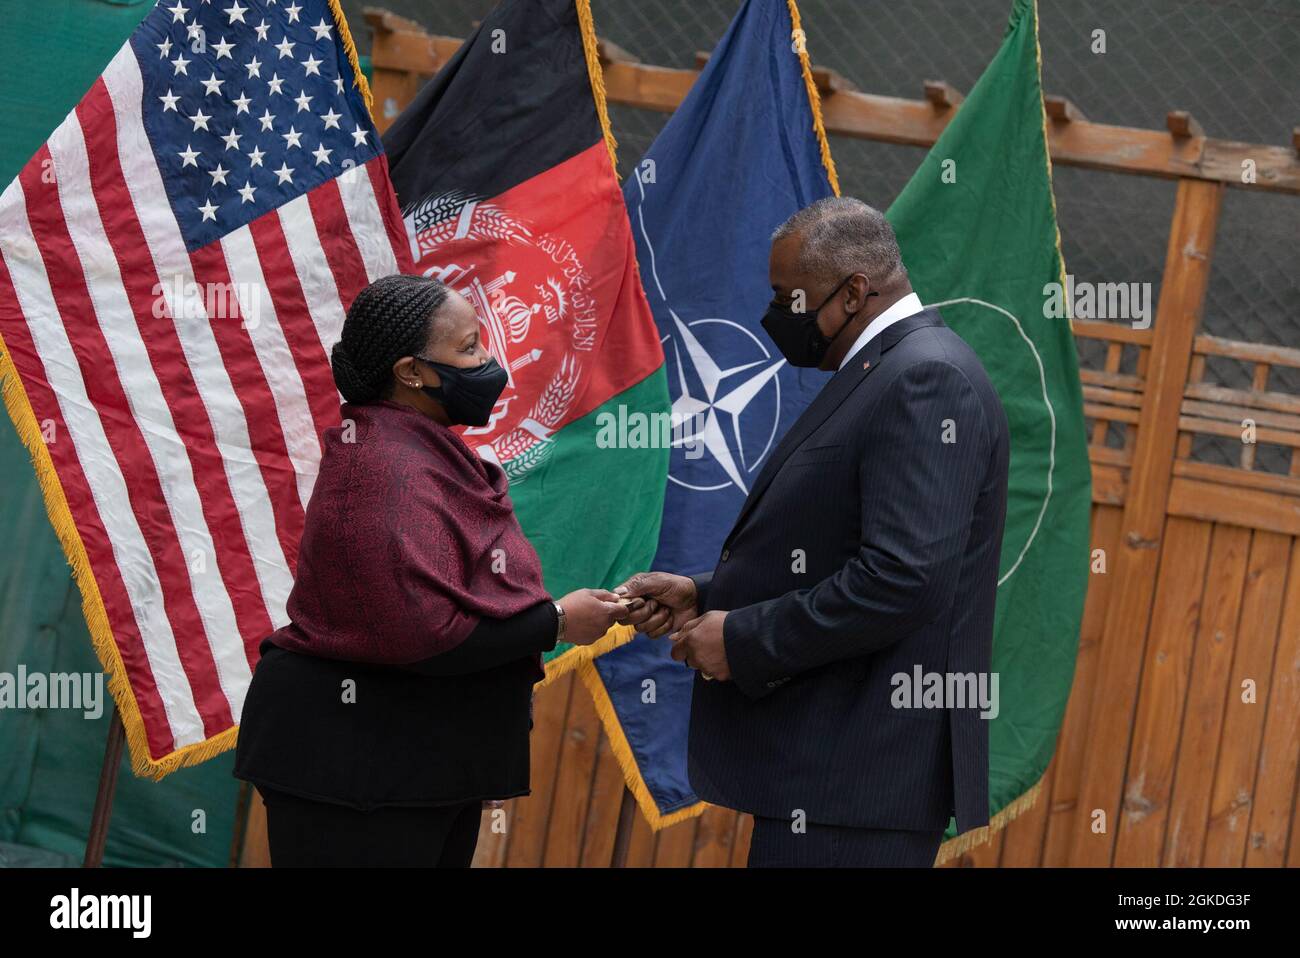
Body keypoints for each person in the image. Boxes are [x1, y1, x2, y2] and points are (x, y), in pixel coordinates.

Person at [617, 196, 1010, 867]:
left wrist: (744, 639)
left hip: (857, 782)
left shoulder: (925, 378)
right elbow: (837, 550)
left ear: (854, 291)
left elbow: (901, 578)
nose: (776, 316)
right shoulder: (886, 369)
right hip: (831, 783)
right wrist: (710, 595)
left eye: (787, 297)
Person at [234, 273, 626, 867]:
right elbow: (420, 632)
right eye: (468, 349)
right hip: (358, 769)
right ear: (411, 372)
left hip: (420, 764)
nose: (488, 362)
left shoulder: (420, 449)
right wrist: (556, 623)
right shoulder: (384, 469)